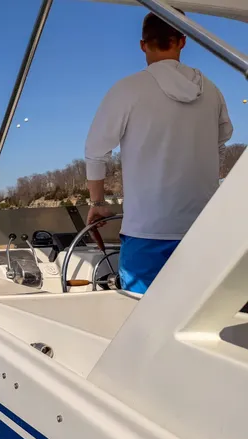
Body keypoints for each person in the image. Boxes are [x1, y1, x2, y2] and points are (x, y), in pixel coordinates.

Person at [84, 10, 233, 294]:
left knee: (140, 319)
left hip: (146, 230)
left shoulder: (127, 89)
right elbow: (221, 143)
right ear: (182, 41)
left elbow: (95, 152)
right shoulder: (212, 91)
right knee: (195, 319)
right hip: (202, 228)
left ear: (143, 44)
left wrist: (98, 202)